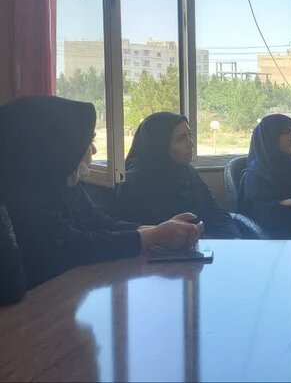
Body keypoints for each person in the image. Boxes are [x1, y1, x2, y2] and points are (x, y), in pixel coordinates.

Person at [0, 96, 203, 289]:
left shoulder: (61, 182)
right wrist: (154, 236)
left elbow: (97, 222)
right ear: (58, 144)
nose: (94, 150)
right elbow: (74, 247)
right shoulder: (23, 195)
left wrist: (160, 231)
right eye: (88, 142)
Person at [116, 112, 239, 239]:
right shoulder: (135, 182)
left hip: (203, 245)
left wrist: (235, 240)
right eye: (181, 139)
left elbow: (216, 214)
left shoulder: (187, 172)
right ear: (160, 145)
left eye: (190, 136)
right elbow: (149, 235)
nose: (191, 144)